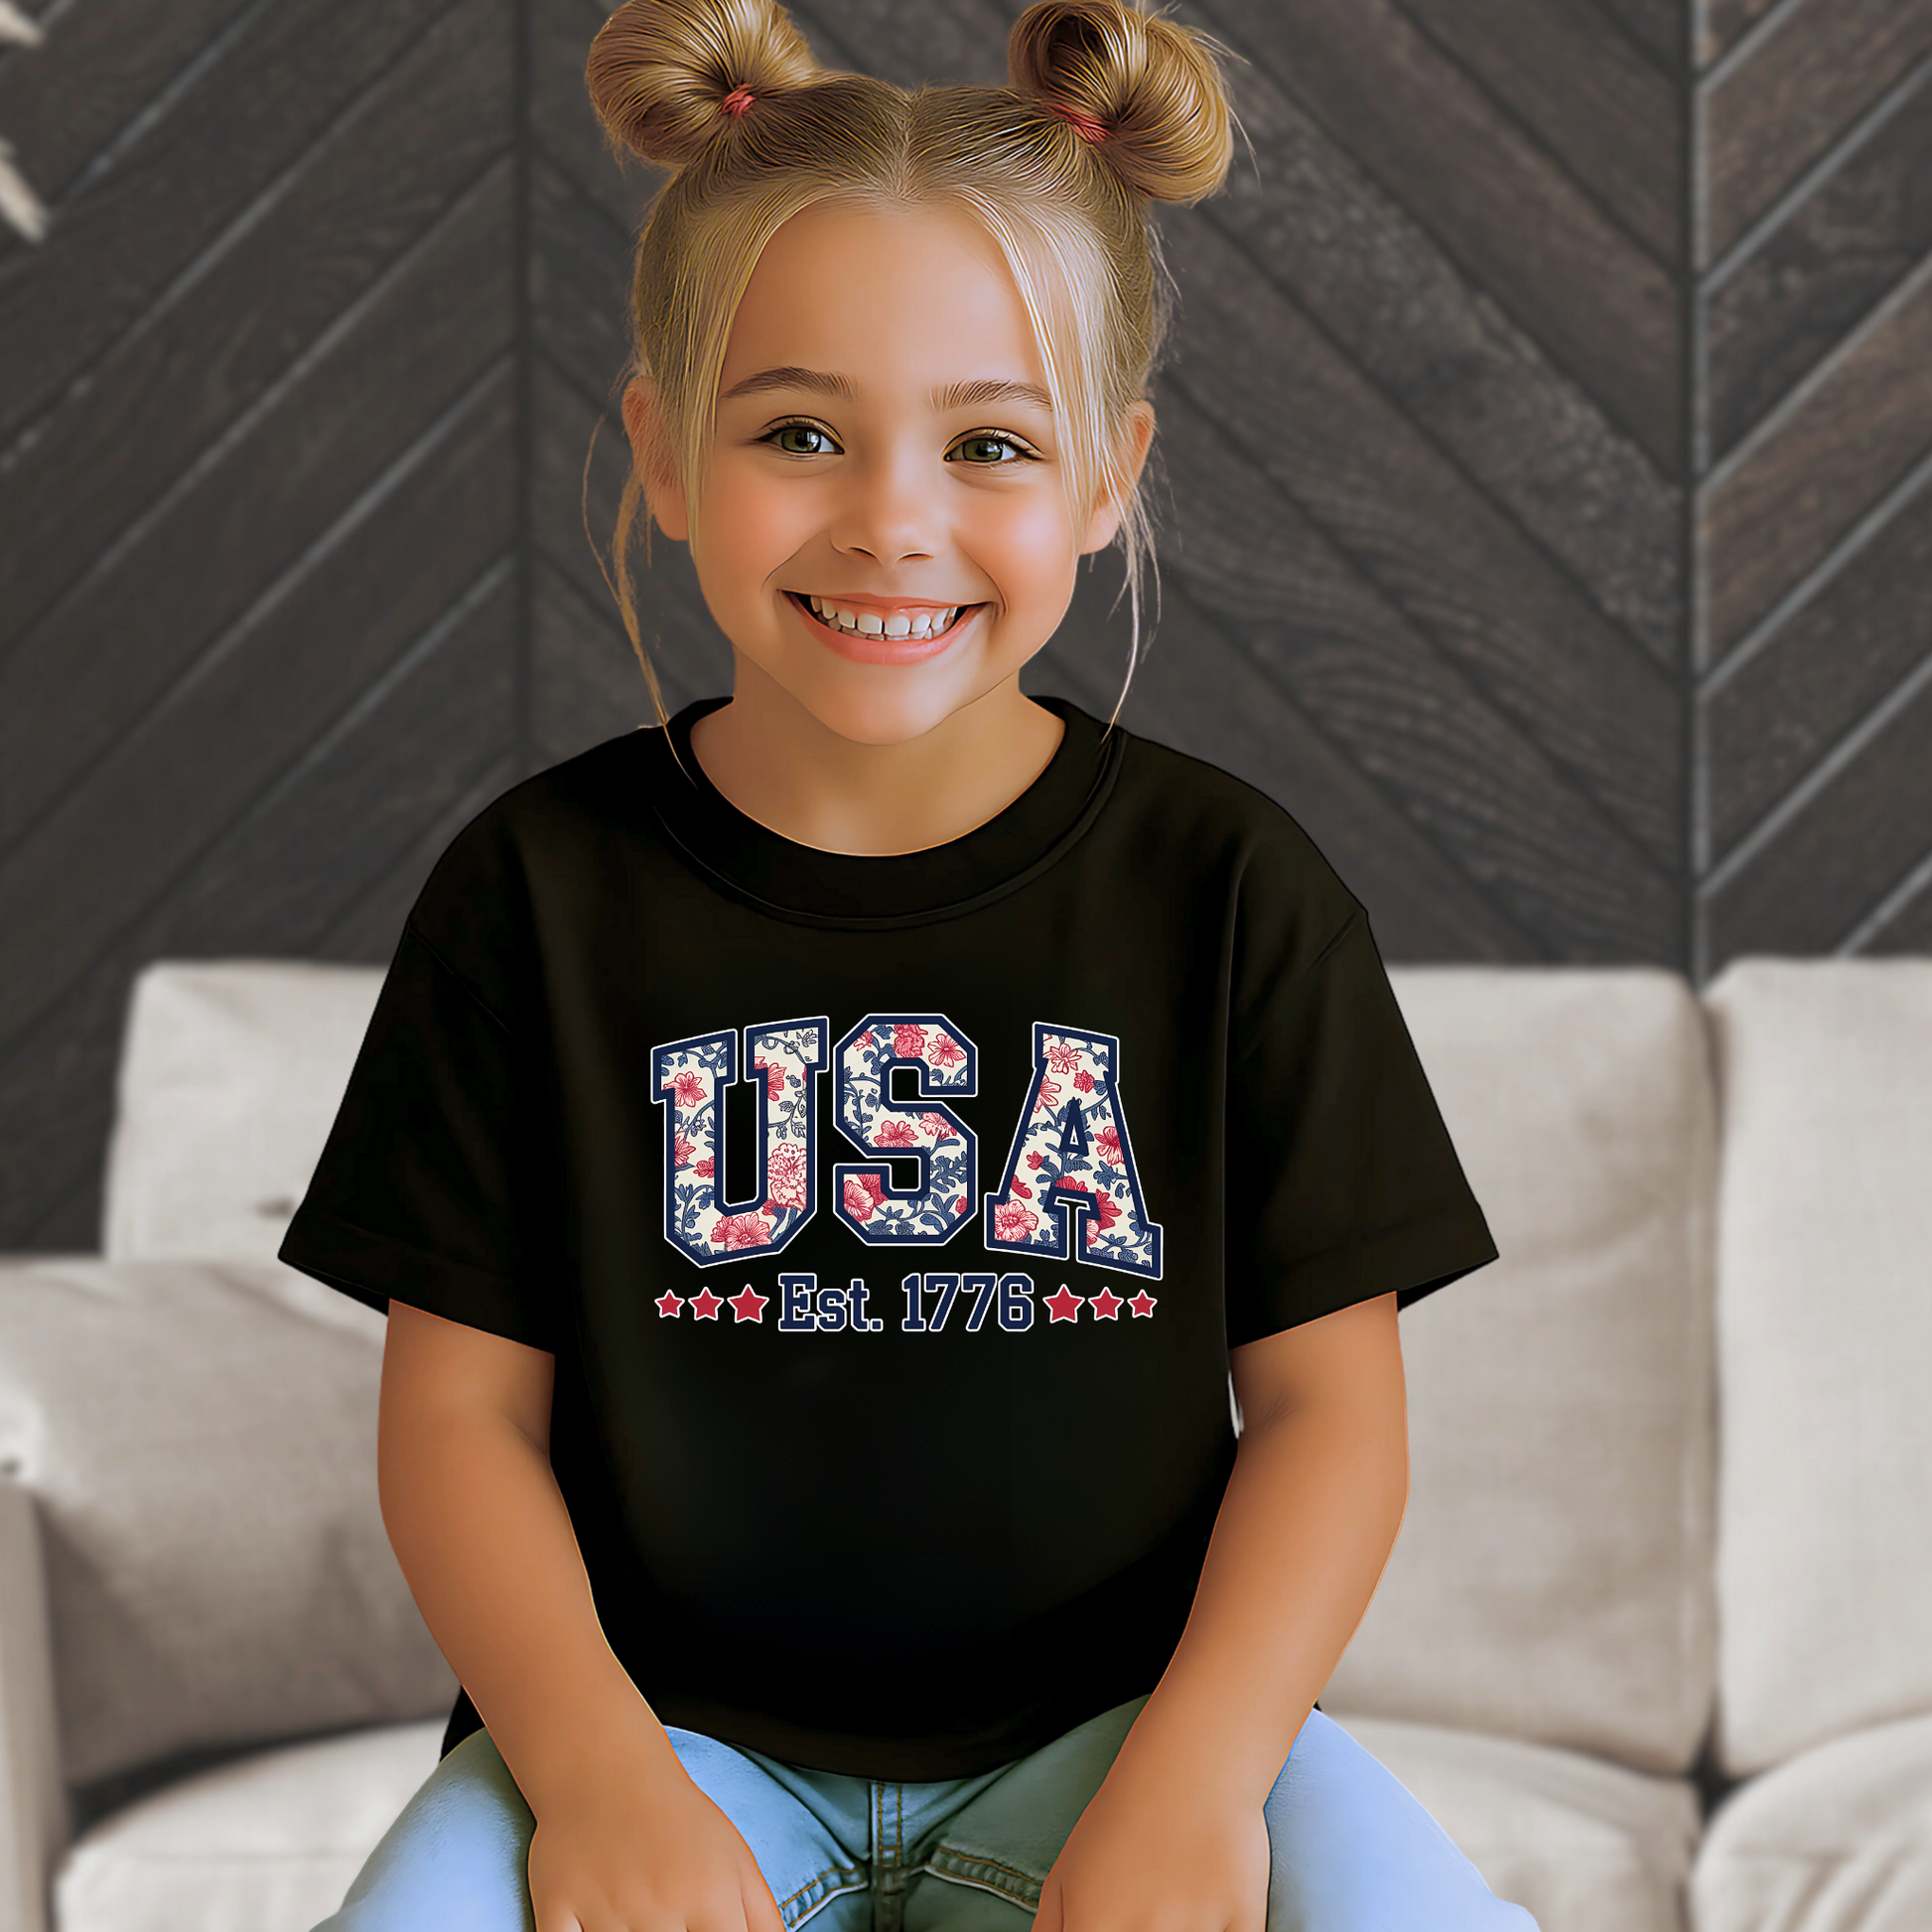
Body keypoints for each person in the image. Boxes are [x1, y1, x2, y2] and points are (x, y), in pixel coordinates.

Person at [282, 1, 1540, 1927]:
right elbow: (457, 1423)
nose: (892, 518)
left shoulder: (1228, 889)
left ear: (1105, 475)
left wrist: (1196, 1788)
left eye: (988, 442)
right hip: (658, 1744)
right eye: (799, 429)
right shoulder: (533, 896)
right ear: (664, 451)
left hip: (1127, 1734)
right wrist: (601, 1782)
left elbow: (1327, 1417)